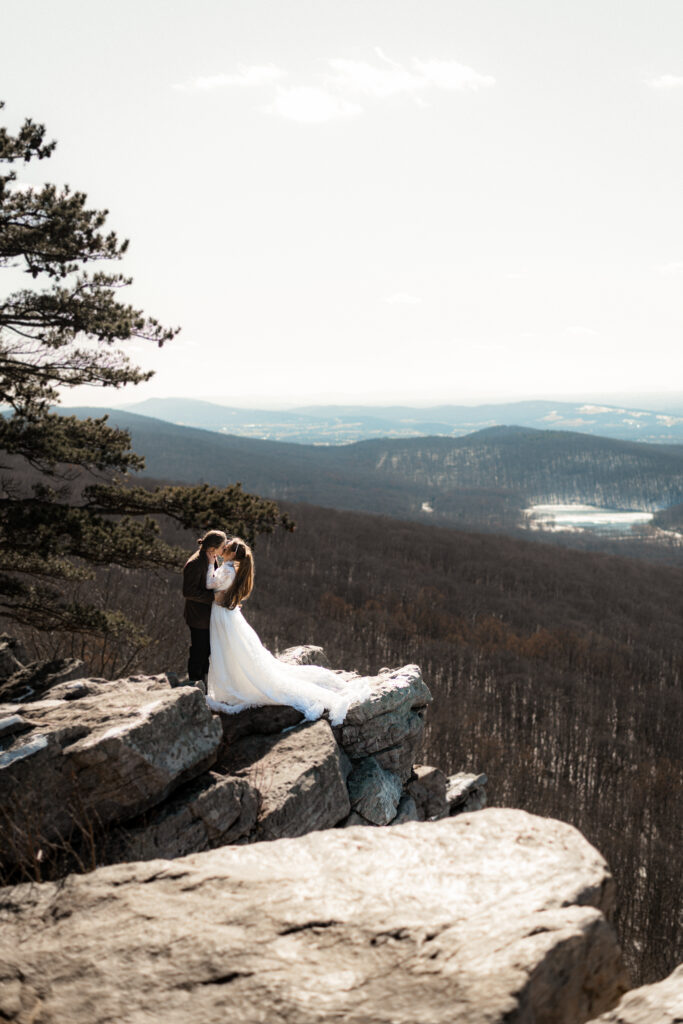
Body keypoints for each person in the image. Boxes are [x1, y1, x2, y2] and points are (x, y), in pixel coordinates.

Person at [205, 537, 370, 726]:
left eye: (226, 547)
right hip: (225, 616)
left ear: (233, 554)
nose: (223, 548)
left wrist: (211, 563)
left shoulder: (227, 570)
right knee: (230, 651)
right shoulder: (230, 569)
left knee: (227, 651)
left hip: (223, 617)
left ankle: (231, 684)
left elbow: (210, 584)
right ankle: (231, 681)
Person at [182, 529, 227, 688]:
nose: (225, 548)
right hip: (198, 617)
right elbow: (188, 592)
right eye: (223, 546)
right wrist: (213, 598)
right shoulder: (195, 563)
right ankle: (194, 684)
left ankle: (204, 685)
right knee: (199, 652)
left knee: (208, 651)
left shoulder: (211, 557)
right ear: (213, 548)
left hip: (208, 616)